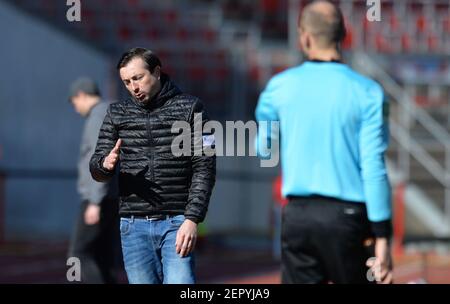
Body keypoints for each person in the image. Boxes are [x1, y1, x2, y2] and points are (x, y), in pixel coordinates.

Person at [255, 0, 393, 284]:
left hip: (298, 216)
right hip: (349, 218)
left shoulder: (278, 87)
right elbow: (373, 166)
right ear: (343, 35)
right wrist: (382, 235)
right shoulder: (368, 92)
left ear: (304, 36)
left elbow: (263, 149)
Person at [89, 47, 216, 284]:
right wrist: (105, 165)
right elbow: (96, 167)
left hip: (177, 223)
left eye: (138, 78)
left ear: (157, 72)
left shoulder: (192, 108)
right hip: (133, 226)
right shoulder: (117, 113)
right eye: (126, 82)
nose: (133, 87)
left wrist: (192, 219)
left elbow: (205, 166)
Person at [68, 77, 121, 283]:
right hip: (109, 197)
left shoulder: (98, 116)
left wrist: (94, 201)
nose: (75, 109)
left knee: (77, 255)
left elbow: (102, 160)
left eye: (74, 103)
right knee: (103, 256)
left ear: (81, 95)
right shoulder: (108, 113)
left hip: (99, 198)